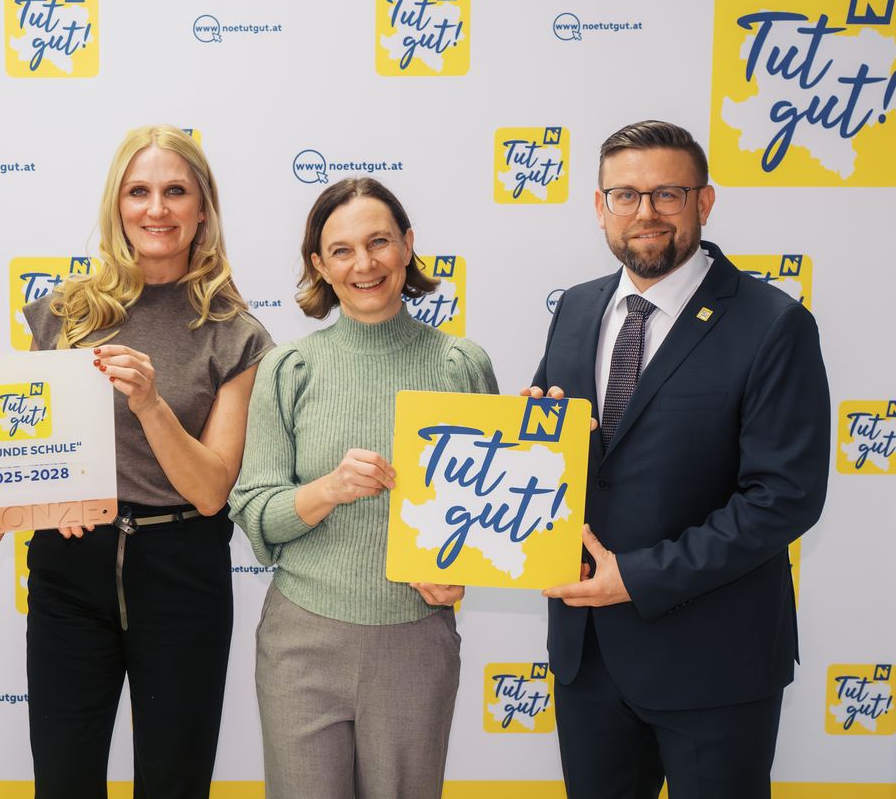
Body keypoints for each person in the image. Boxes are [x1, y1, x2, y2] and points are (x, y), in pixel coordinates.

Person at [529, 120, 829, 799]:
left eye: (667, 194)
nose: (645, 213)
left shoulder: (772, 323)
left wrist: (635, 576)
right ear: (600, 205)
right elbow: (572, 455)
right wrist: (529, 440)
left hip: (714, 664)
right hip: (589, 661)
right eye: (625, 195)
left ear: (705, 201)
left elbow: (784, 497)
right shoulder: (576, 309)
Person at [21, 124, 272, 799]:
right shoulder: (59, 314)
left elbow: (213, 489)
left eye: (174, 192)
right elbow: (25, 448)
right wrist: (44, 501)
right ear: (117, 206)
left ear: (202, 211)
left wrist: (151, 402)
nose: (156, 209)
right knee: (64, 783)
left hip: (182, 573)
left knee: (174, 783)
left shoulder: (238, 334)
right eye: (139, 192)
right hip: (70, 572)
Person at [230, 177, 497, 799]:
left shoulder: (462, 365)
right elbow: (252, 509)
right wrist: (327, 489)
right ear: (320, 266)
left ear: (407, 246)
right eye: (342, 250)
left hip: (416, 637)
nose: (365, 264)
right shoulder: (289, 368)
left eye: (379, 242)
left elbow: (488, 516)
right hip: (303, 640)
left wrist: (463, 576)